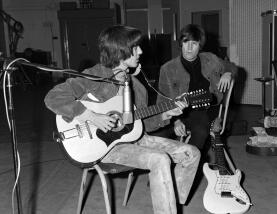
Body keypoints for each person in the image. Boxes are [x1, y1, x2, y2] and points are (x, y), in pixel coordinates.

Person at [44, 25, 200, 214]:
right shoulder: (96, 75)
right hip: (106, 147)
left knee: (192, 153)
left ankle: (172, 203)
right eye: (135, 48)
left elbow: (141, 125)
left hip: (135, 139)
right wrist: (92, 116)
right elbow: (52, 97)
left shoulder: (137, 86)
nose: (141, 51)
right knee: (159, 159)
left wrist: (166, 114)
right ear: (120, 50)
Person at [156, 24, 237, 158]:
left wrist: (228, 73)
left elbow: (232, 67)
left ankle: (189, 163)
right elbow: (163, 100)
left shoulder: (210, 59)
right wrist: (176, 120)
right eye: (185, 42)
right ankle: (185, 161)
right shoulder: (167, 69)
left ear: (200, 45)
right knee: (158, 135)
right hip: (181, 112)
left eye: (194, 43)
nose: (189, 48)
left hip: (210, 109)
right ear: (181, 43)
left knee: (200, 130)